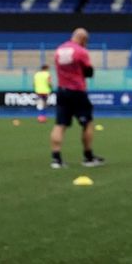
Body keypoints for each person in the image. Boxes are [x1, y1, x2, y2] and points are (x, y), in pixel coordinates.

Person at [50, 29, 105, 169]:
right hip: (77, 91)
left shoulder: (59, 49)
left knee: (60, 124)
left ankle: (56, 159)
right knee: (87, 123)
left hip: (62, 90)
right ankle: (88, 157)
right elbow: (89, 71)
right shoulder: (80, 51)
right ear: (83, 39)